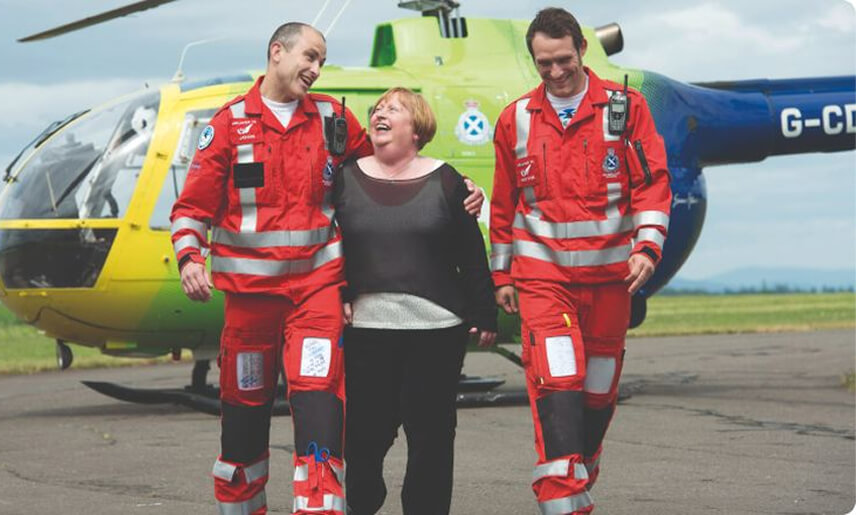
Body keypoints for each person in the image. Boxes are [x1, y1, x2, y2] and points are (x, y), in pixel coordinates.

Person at [170, 23, 482, 515]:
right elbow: (192, 208)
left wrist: (456, 184)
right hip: (250, 304)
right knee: (243, 424)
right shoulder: (230, 125)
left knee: (320, 416)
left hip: (315, 297)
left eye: (322, 61)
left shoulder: (333, 119)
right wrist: (189, 258)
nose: (315, 70)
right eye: (309, 57)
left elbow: (393, 167)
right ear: (277, 52)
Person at [488, 8, 671, 514]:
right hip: (543, 278)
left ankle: (580, 463)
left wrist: (648, 247)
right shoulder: (516, 119)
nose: (554, 72)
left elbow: (653, 184)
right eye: (543, 63)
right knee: (558, 380)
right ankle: (563, 498)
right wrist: (502, 274)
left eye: (563, 59)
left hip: (611, 280)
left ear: (582, 50)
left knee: (597, 391)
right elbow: (504, 204)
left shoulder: (625, 107)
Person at [334, 87, 498, 515]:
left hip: (436, 331)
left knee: (431, 437)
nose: (380, 113)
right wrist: (339, 293)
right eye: (379, 108)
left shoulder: (446, 179)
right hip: (368, 330)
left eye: (395, 108)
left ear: (417, 128)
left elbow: (470, 249)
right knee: (363, 436)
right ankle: (363, 503)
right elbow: (330, 247)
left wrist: (484, 312)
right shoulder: (344, 178)